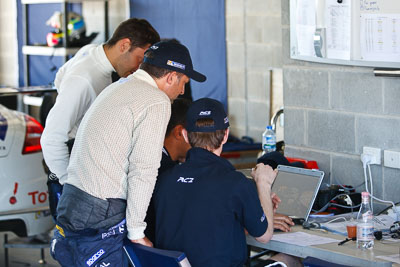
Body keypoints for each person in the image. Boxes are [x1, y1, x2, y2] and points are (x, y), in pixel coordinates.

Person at [50, 41, 206, 267]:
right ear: (171, 76)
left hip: (72, 200)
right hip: (100, 209)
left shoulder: (118, 87)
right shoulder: (156, 100)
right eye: (183, 82)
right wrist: (136, 231)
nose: (182, 91)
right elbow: (143, 169)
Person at [153, 98, 301, 267]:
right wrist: (263, 183)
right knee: (290, 260)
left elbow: (197, 221)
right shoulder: (235, 183)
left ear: (186, 135)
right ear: (225, 135)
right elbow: (264, 235)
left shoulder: (164, 180)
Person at [40, 18, 160, 220]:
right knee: (81, 247)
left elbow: (61, 76)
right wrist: (72, 186)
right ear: (124, 45)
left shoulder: (92, 50)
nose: (140, 69)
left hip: (86, 165)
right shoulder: (84, 80)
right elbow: (51, 139)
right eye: (140, 60)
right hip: (73, 174)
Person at [144, 98, 192, 243]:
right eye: (197, 134)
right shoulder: (167, 173)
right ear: (179, 133)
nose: (200, 142)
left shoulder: (151, 156)